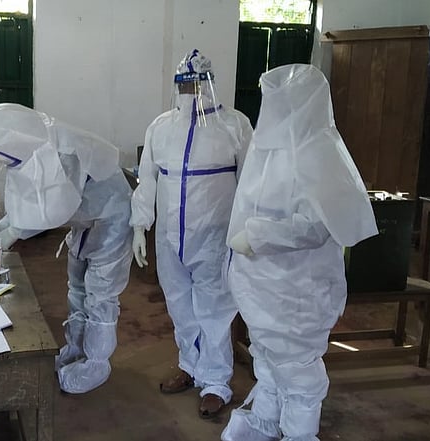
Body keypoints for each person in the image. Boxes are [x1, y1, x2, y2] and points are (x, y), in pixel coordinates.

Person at [221, 64, 377, 441]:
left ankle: (299, 434)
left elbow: (317, 225)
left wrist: (257, 236)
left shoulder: (320, 151)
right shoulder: (267, 149)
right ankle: (266, 422)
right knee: (267, 358)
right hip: (261, 285)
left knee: (296, 368)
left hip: (297, 288)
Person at [0, 103, 133, 394]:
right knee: (78, 289)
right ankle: (76, 350)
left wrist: (13, 232)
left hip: (111, 219)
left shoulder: (62, 151)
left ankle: (95, 364)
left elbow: (53, 210)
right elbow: (32, 199)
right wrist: (2, 226)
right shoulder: (35, 147)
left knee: (100, 297)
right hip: (87, 222)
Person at [130, 49, 252, 418]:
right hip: (170, 238)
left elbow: (250, 184)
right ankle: (189, 365)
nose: (190, 93)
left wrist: (248, 233)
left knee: (214, 310)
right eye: (184, 86)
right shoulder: (161, 127)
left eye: (196, 85)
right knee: (180, 305)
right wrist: (140, 226)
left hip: (215, 237)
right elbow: (147, 180)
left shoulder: (235, 126)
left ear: (210, 84)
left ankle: (216, 382)